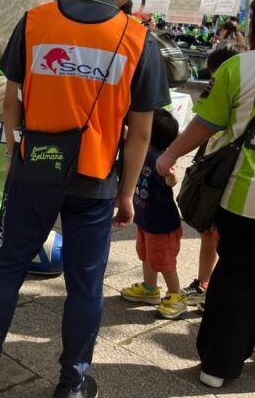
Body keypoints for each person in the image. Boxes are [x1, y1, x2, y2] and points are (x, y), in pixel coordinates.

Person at [0, 0, 169, 398]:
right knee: (85, 286)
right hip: (96, 181)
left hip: (32, 170)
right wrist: (126, 194)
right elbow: (141, 131)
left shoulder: (36, 22)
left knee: (7, 268)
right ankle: (72, 383)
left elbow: (10, 102)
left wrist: (14, 151)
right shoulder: (139, 40)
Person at [156, 49, 255, 389]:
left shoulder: (240, 68)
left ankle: (218, 364)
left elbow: (208, 121)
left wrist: (170, 154)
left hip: (245, 197)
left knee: (235, 274)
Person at [181, 41, 247, 306]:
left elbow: (203, 126)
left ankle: (206, 284)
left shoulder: (228, 84)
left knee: (212, 236)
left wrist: (170, 155)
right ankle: (208, 284)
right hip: (231, 180)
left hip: (221, 180)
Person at [120, 109, 184, 319]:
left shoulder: (161, 159)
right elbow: (127, 131)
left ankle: (176, 296)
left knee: (164, 262)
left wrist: (171, 178)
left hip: (162, 225)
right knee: (146, 256)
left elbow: (170, 181)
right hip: (146, 221)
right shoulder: (142, 150)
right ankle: (150, 289)